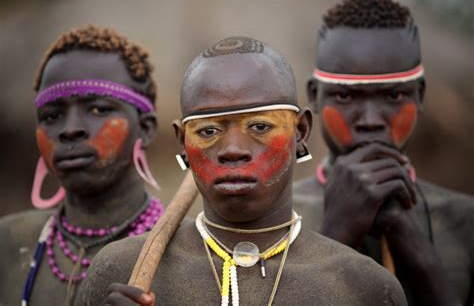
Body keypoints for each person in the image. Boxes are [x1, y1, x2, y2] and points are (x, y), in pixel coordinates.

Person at [76, 36, 406, 305]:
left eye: (260, 126)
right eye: (208, 131)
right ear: (182, 142)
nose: (233, 149)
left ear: (301, 131)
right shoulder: (120, 272)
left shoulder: (367, 288)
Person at [293, 0, 473, 305]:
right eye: (346, 97)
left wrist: (414, 248)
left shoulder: (466, 219)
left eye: (393, 96)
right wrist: (337, 235)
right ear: (315, 96)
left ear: (419, 96)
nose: (371, 121)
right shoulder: (275, 216)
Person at [0, 24, 165, 305]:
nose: (70, 129)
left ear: (146, 128)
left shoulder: (183, 252)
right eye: (51, 116)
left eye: (98, 109)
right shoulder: (9, 241)